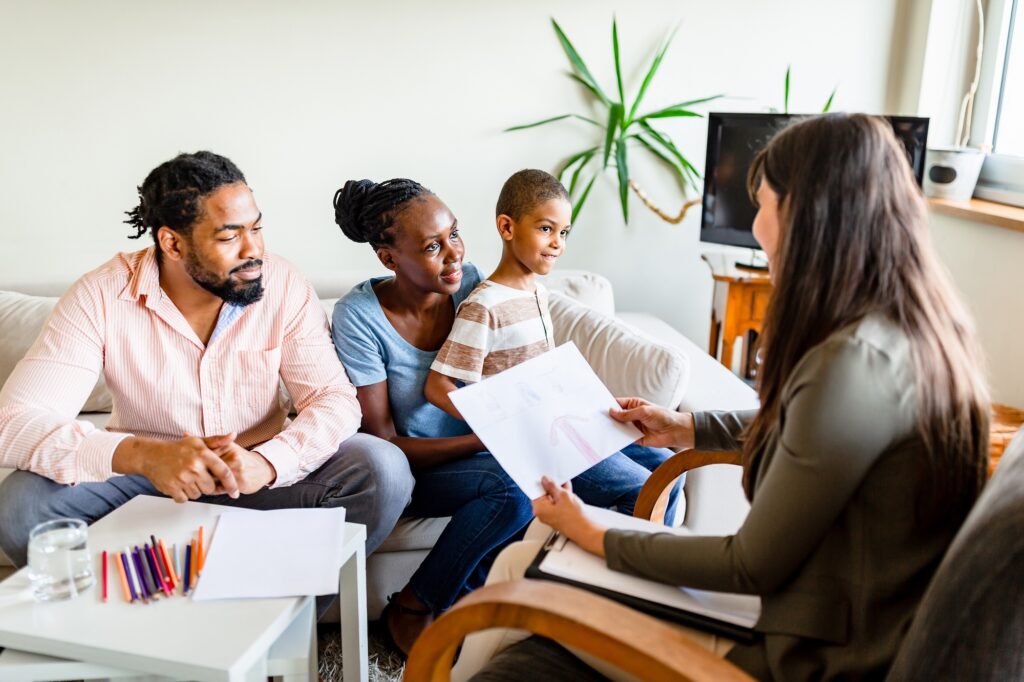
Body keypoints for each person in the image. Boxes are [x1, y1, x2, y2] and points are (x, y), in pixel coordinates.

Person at [453, 113, 991, 681]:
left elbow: (748, 563)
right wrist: (688, 427)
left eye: (764, 205)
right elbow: (808, 427)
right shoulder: (904, 331)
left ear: (812, 217)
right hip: (813, 612)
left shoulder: (849, 365)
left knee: (524, 567)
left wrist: (596, 531)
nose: (757, 228)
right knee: (528, 556)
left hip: (795, 651)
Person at [0, 151, 414, 569]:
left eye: (256, 228)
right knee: (22, 506)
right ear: (172, 243)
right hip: (145, 478)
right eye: (230, 236)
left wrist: (268, 463)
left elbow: (332, 398)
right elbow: (14, 420)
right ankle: (121, 627)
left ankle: (267, 621)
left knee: (383, 469)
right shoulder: (100, 296)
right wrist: (145, 457)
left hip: (257, 474)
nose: (255, 250)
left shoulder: (282, 284)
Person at [330, 177, 672, 658]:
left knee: (664, 463)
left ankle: (599, 602)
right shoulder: (358, 317)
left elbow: (528, 363)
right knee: (512, 486)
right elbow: (384, 442)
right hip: (424, 467)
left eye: (454, 233)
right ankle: (412, 605)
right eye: (432, 246)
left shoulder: (471, 284)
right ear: (389, 259)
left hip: (505, 443)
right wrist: (483, 439)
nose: (453, 254)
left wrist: (599, 406)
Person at [424, 169, 677, 520]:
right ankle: (618, 570)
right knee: (642, 486)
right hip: (537, 444)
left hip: (564, 424)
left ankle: (652, 566)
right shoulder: (484, 305)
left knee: (670, 469)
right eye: (546, 229)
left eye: (564, 232)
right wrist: (496, 424)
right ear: (507, 228)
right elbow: (437, 386)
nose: (558, 242)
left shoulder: (540, 293)